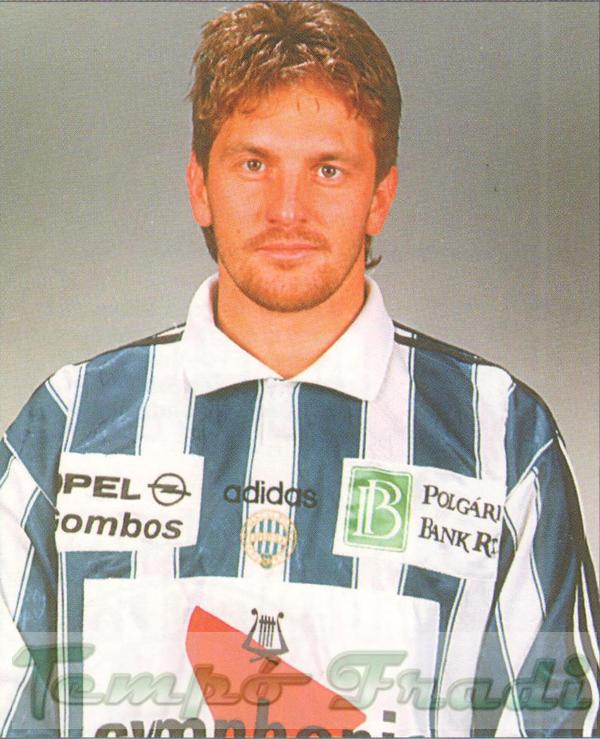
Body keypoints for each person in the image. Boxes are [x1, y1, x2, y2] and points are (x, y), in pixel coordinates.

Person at [1, 2, 597, 737]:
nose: (289, 210)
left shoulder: (503, 438)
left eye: (328, 168)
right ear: (200, 185)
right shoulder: (68, 427)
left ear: (380, 197)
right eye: (254, 164)